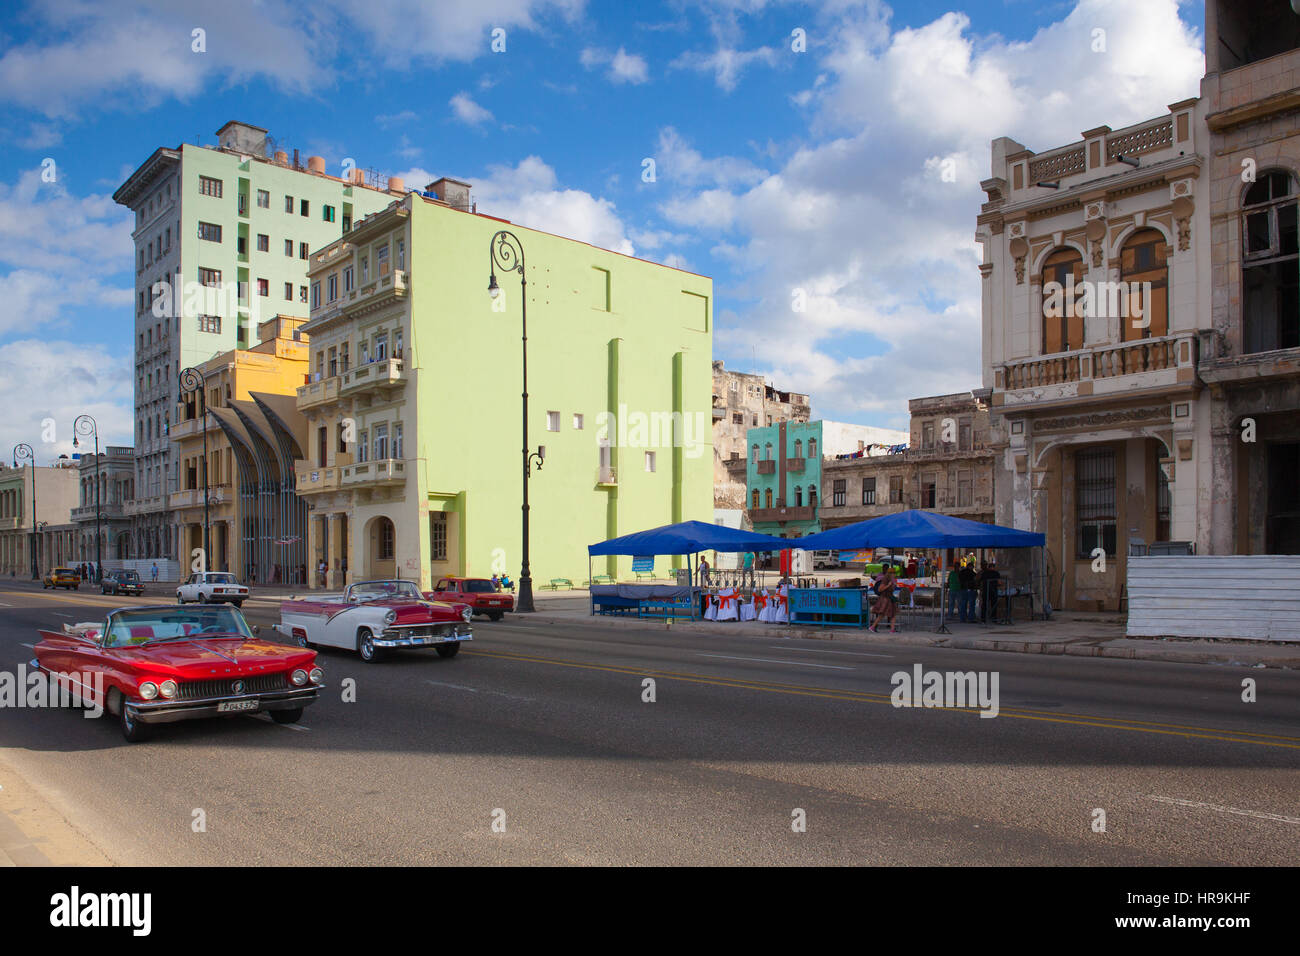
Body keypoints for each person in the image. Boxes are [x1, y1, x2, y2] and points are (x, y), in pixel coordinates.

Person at [868, 564, 899, 633]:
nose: (894, 575)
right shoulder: (885, 579)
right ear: (890, 574)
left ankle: (892, 629)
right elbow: (880, 589)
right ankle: (873, 627)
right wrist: (888, 585)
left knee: (893, 614)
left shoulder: (892, 580)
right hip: (885, 599)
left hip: (890, 598)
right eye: (893, 573)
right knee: (882, 614)